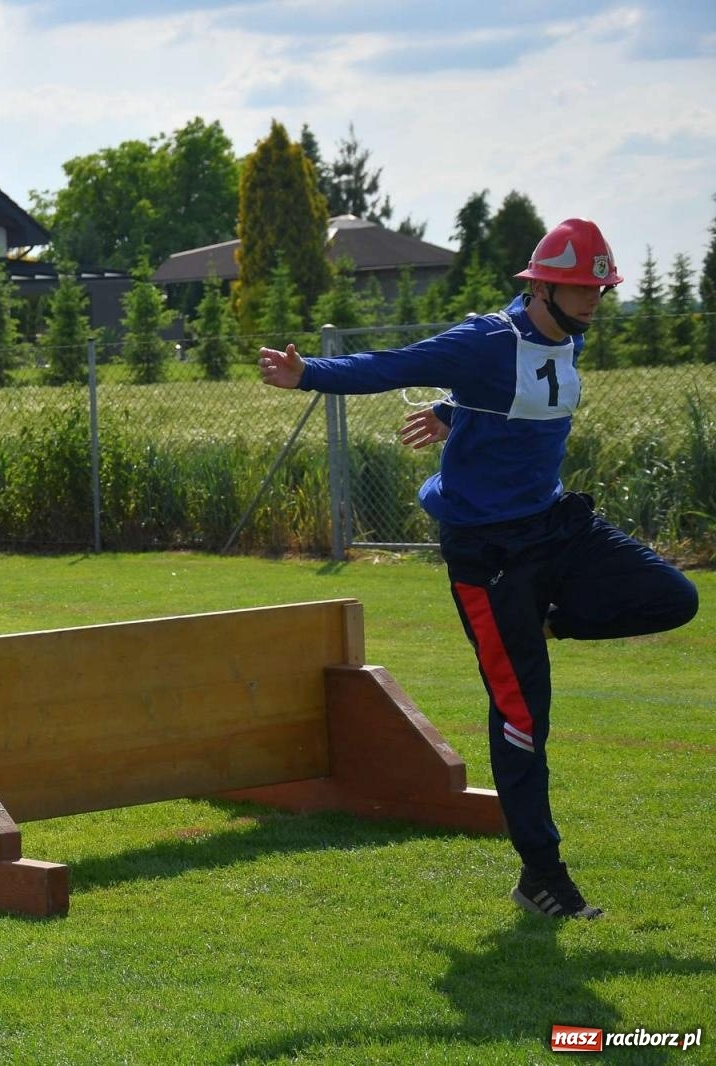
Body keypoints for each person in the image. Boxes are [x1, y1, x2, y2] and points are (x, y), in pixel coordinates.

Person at [258, 218, 700, 920]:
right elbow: (393, 365)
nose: (595, 301)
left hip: (555, 527)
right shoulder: (483, 340)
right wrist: (306, 373)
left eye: (601, 289)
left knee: (674, 597)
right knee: (523, 717)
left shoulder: (571, 334)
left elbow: (521, 390)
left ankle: (548, 620)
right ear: (542, 288)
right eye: (582, 289)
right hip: (487, 556)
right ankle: (542, 878)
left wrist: (451, 410)